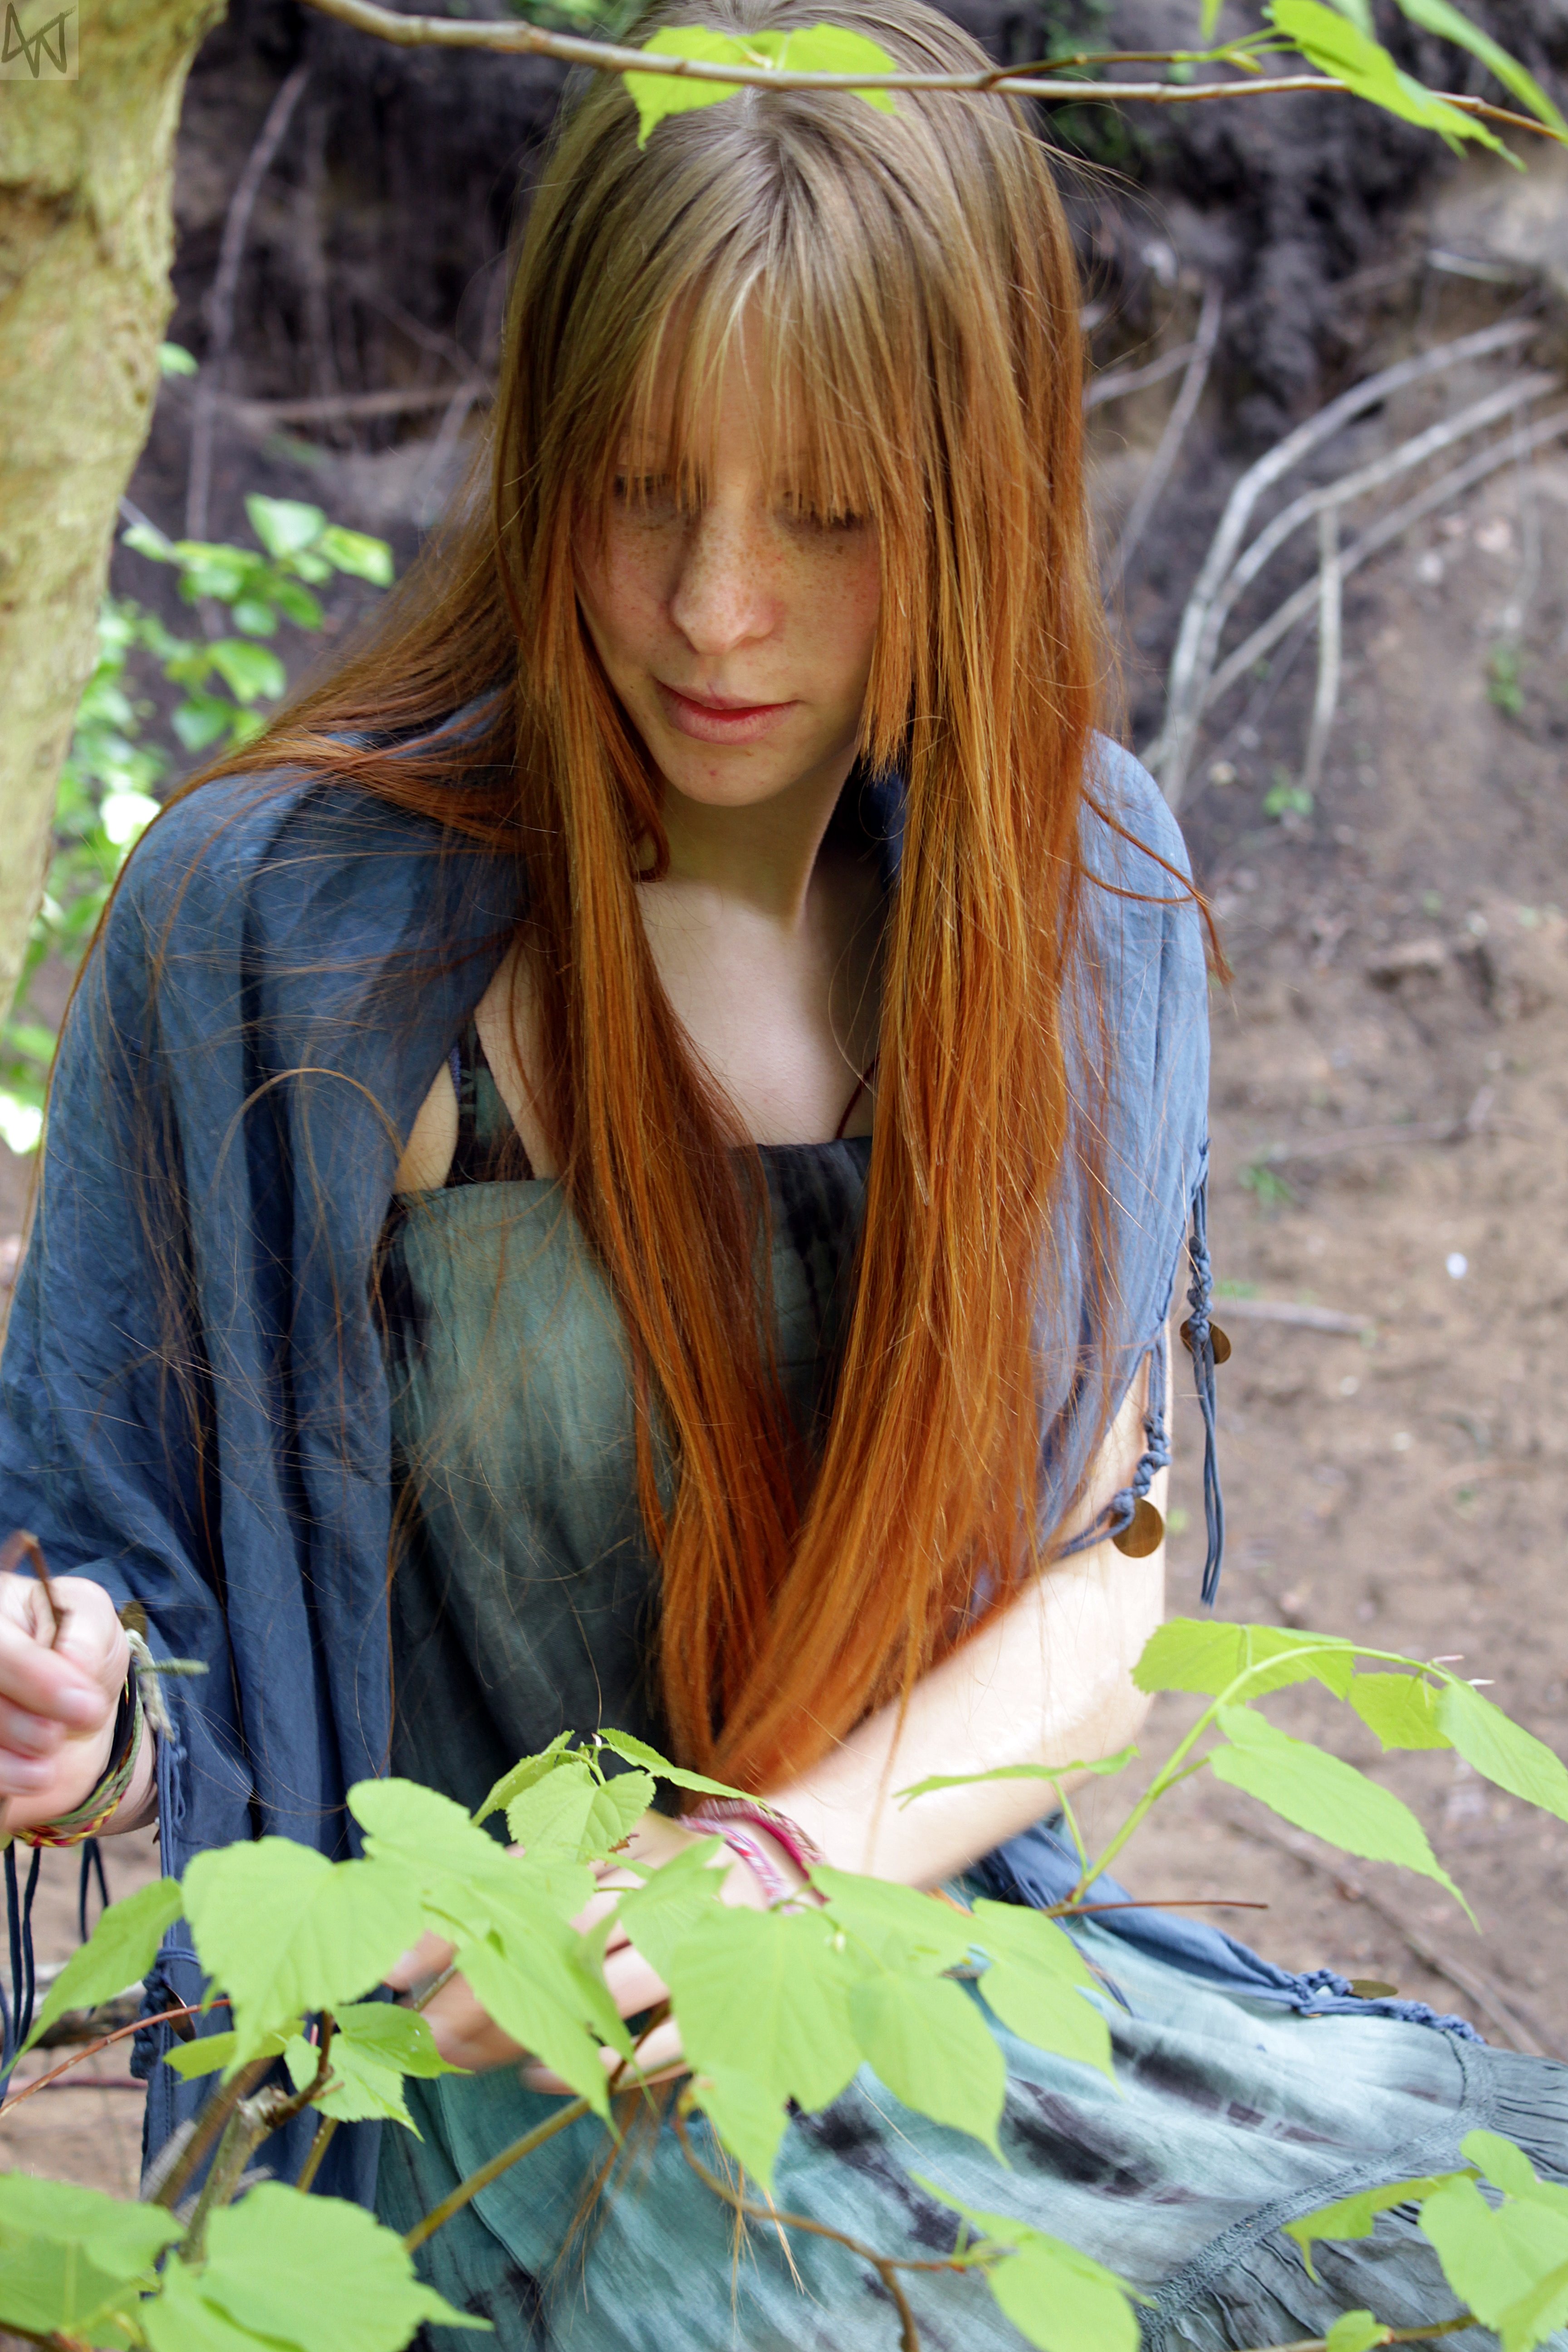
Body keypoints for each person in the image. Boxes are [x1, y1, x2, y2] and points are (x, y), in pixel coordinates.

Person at [2, 3, 1565, 2344]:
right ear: (546, 451)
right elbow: (149, 1596)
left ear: (976, 487)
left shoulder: (1077, 889)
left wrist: (775, 1862)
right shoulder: (280, 932)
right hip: (490, 2096)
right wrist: (89, 1716)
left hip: (917, 1962)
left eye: (828, 512)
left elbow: (1103, 1585)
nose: (718, 605)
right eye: (645, 487)